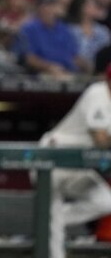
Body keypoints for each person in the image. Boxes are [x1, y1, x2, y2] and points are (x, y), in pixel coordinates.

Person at [39, 63, 111, 258]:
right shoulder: (99, 93)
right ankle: (51, 220)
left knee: (106, 201)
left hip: (75, 166)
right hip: (53, 159)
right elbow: (101, 139)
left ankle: (52, 218)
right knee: (54, 246)